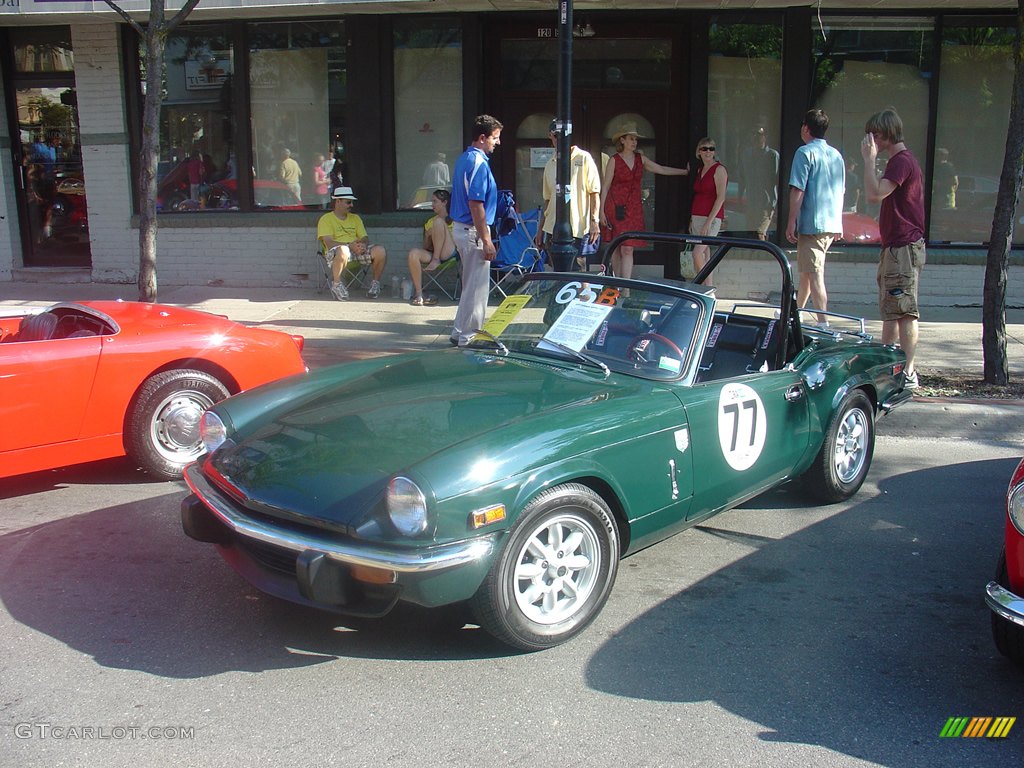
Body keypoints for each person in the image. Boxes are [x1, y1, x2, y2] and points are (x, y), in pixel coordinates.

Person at [861, 107, 926, 390]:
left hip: (902, 247)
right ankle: (886, 369)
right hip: (896, 247)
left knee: (904, 310)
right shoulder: (901, 161)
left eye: (875, 134)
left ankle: (908, 372)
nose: (872, 140)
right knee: (892, 308)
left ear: (886, 133)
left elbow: (875, 194)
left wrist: (869, 160)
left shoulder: (900, 161)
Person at [600, 121, 688, 279]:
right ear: (622, 140)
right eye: (631, 139)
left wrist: (684, 172)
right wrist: (601, 212)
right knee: (617, 246)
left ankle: (625, 286)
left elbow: (660, 169)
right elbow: (605, 186)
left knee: (628, 248)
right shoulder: (614, 160)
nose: (634, 142)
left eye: (635, 139)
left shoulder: (641, 159)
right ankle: (617, 282)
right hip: (615, 207)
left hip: (633, 208)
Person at [785, 109, 845, 324]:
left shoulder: (804, 152)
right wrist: (839, 222)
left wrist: (791, 220)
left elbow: (797, 189)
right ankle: (794, 315)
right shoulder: (836, 155)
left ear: (805, 128)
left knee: (814, 274)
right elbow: (840, 190)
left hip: (812, 224)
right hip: (830, 223)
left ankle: (823, 322)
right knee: (807, 272)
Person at [449, 114, 502, 347]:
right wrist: (486, 239)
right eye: (495, 138)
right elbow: (476, 203)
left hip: (462, 228)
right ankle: (470, 337)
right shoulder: (479, 163)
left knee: (470, 285)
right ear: (482, 138)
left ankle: (459, 330)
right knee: (478, 289)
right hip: (473, 230)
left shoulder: (464, 159)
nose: (497, 143)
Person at [534, 119, 602, 271]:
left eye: (562, 136)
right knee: (555, 271)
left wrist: (594, 221)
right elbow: (547, 200)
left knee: (579, 271)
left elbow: (594, 192)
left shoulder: (584, 158)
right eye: (555, 136)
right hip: (553, 227)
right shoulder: (550, 163)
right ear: (550, 136)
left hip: (577, 226)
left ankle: (584, 295)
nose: (558, 140)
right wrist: (540, 230)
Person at [316, 186, 387, 301]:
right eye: (348, 202)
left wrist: (362, 245)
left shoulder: (355, 218)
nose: (351, 205)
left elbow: (364, 237)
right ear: (338, 201)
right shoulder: (326, 219)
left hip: (356, 251)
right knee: (343, 250)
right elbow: (329, 243)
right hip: (336, 253)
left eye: (352, 202)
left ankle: (375, 284)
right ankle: (337, 285)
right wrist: (349, 245)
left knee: (380, 251)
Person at [407, 189, 457, 306]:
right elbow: (425, 247)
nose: (432, 205)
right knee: (413, 253)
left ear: (444, 202)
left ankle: (435, 259)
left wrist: (441, 231)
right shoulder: (430, 221)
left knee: (439, 222)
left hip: (450, 252)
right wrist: (429, 236)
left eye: (435, 201)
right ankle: (419, 294)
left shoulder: (455, 219)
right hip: (434, 252)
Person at [689, 137, 728, 285]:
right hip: (697, 216)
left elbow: (721, 198)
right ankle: (708, 289)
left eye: (711, 148)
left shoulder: (719, 169)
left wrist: (708, 222)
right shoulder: (700, 170)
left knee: (697, 253)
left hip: (711, 218)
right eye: (704, 148)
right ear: (699, 151)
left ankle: (704, 286)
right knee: (704, 252)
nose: (708, 152)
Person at [738, 125, 779, 240]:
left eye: (760, 135)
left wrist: (775, 203)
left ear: (765, 137)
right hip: (751, 200)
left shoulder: (772, 155)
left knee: (760, 232)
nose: (756, 138)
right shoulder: (746, 154)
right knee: (751, 234)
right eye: (754, 135)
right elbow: (742, 177)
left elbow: (776, 179)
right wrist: (740, 197)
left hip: (766, 202)